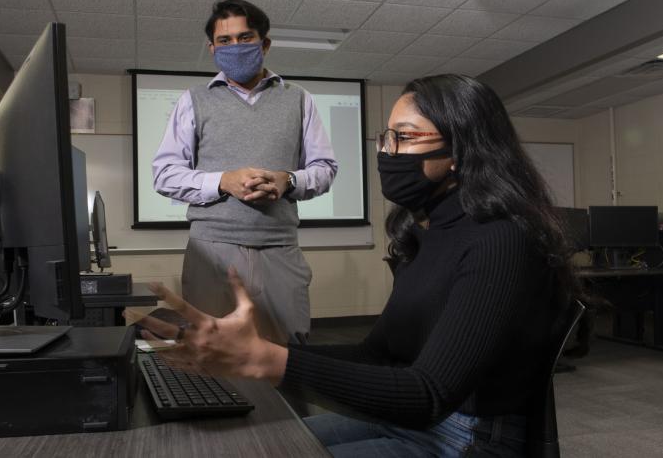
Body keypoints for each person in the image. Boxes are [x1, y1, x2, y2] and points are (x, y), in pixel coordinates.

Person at [135, 74, 579, 457]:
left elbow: (429, 394)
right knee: (246, 448)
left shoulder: (501, 239)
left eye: (405, 137)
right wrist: (244, 349)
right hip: (409, 420)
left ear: (461, 150)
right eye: (387, 137)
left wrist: (264, 360)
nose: (387, 151)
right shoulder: (425, 233)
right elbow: (377, 357)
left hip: (464, 437)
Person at [151, 0, 338, 345]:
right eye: (225, 41)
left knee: (287, 351)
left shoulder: (299, 99)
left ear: (264, 44)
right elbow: (164, 174)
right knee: (212, 350)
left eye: (245, 37)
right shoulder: (193, 100)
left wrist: (289, 180)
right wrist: (223, 181)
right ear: (212, 48)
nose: (235, 47)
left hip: (280, 248)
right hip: (211, 251)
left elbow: (325, 169)